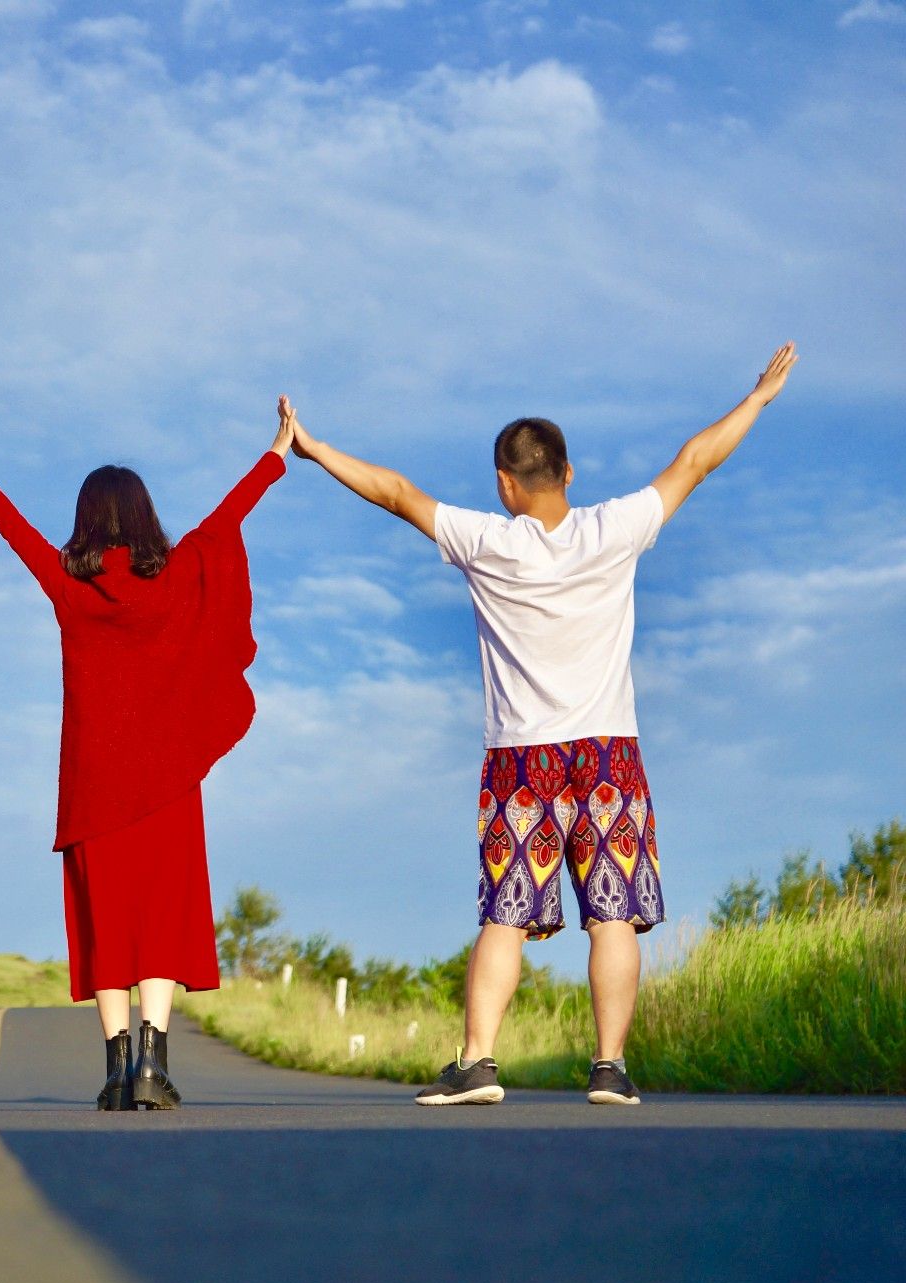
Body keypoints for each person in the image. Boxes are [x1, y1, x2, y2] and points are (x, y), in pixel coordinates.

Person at [284, 342, 799, 1106]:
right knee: (613, 914)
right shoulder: (613, 528)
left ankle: (478, 1062)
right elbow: (695, 460)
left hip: (522, 760)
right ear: (568, 473)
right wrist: (756, 400)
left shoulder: (488, 541)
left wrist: (314, 446)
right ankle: (610, 1068)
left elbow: (395, 492)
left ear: (504, 484)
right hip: (608, 753)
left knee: (506, 913)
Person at [0, 404, 292, 1110]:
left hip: (93, 786)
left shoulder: (68, 587)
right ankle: (152, 1065)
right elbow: (227, 520)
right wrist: (277, 455)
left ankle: (113, 1069)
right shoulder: (174, 576)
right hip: (166, 782)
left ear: (85, 520)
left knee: (106, 923)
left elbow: (7, 524)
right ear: (144, 518)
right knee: (161, 919)